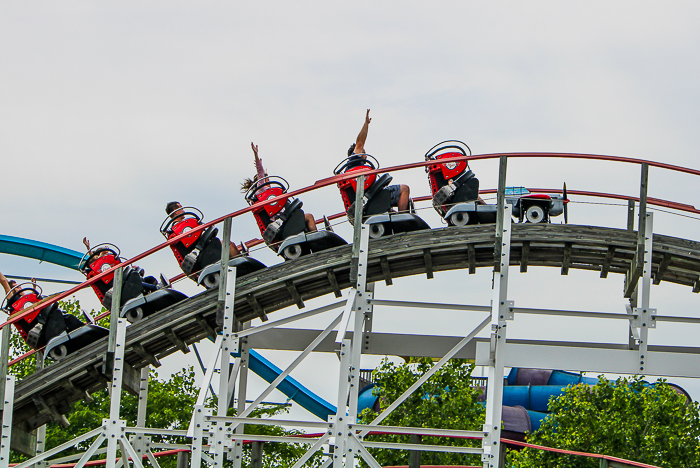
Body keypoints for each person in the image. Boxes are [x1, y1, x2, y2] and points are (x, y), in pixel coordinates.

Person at [241, 142, 318, 232]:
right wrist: (256, 155)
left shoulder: (265, 194)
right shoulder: (261, 190)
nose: (267, 179)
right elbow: (260, 172)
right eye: (265, 178)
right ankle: (319, 241)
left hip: (283, 220)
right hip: (283, 221)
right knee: (309, 217)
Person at [347, 109, 411, 212]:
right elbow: (360, 142)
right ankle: (404, 222)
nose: (365, 154)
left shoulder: (354, 169)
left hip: (373, 197)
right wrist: (366, 124)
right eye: (363, 152)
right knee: (404, 189)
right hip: (372, 197)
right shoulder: (354, 160)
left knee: (391, 212)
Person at [1, 269, 83, 349]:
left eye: (19, 287)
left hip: (45, 323)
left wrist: (34, 288)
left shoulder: (25, 302)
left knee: (68, 317)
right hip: (41, 329)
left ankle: (85, 331)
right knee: (54, 310)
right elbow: (4, 281)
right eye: (17, 287)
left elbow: (33, 306)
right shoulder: (13, 302)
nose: (20, 289)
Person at [164, 202, 242, 257]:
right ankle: (244, 266)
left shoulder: (175, 230)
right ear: (176, 212)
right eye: (181, 208)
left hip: (202, 251)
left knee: (226, 244)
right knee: (229, 245)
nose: (183, 211)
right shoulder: (181, 228)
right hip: (201, 253)